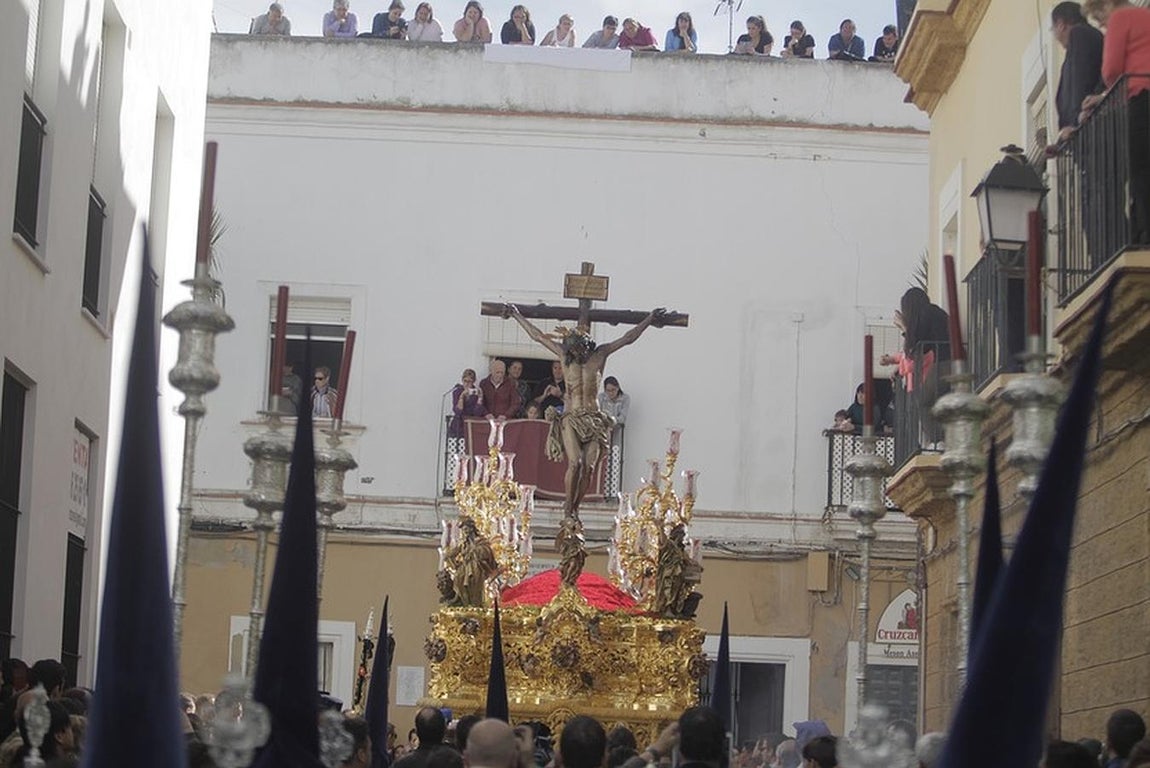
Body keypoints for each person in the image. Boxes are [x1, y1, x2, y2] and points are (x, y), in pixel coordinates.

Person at [507, 304, 665, 522]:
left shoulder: (600, 355)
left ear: (585, 346)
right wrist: (516, 315)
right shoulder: (564, 355)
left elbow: (628, 338)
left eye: (577, 350)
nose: (573, 353)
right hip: (571, 418)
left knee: (589, 467)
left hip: (593, 419)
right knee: (575, 464)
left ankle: (575, 509)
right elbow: (537, 336)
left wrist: (648, 320)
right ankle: (567, 511)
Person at [1082, 0, 1150, 243]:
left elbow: (1111, 70)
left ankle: (1144, 234)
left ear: (1109, 3)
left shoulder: (1121, 18)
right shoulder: (1146, 16)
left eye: (1100, 17)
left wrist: (1103, 97)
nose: (1102, 24)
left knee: (1141, 170)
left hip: (1140, 101)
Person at [1052, 2, 1104, 140]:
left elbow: (1080, 81)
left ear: (1061, 24)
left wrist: (1076, 121)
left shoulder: (1080, 34)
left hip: (1091, 129)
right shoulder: (1075, 47)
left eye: (1053, 29)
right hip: (1087, 133)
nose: (1055, 35)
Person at [449, 368, 484, 438]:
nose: (467, 384)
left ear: (473, 381)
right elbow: (458, 411)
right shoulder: (457, 392)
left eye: (470, 381)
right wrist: (462, 396)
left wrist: (480, 398)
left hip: (470, 425)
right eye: (465, 381)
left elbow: (477, 413)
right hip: (458, 425)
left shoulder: (476, 392)